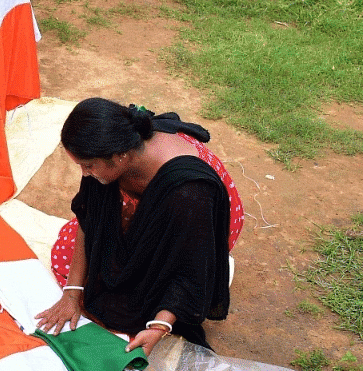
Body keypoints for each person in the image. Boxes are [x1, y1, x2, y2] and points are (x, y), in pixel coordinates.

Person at [34, 99, 244, 356]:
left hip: (199, 229)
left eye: (88, 165)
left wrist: (159, 326)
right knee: (76, 253)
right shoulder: (113, 151)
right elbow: (90, 219)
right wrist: (72, 293)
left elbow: (191, 268)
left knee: (134, 303)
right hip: (165, 214)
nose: (85, 173)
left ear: (119, 156)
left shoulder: (189, 194)